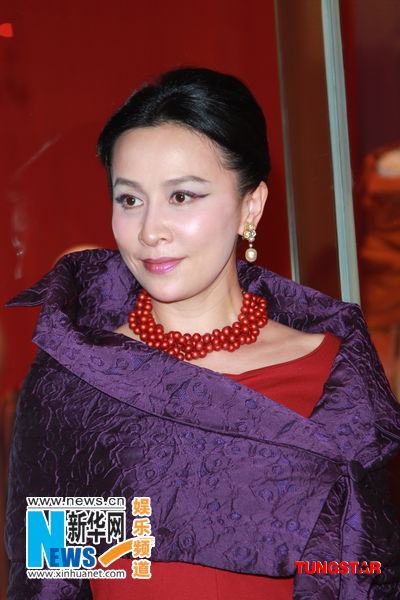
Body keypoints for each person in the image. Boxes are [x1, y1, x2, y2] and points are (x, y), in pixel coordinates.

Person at [4, 66, 400, 600]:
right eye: (129, 199)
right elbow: (53, 578)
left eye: (183, 196)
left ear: (250, 206)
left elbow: (365, 573)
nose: (150, 230)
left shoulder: (334, 376)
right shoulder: (79, 380)